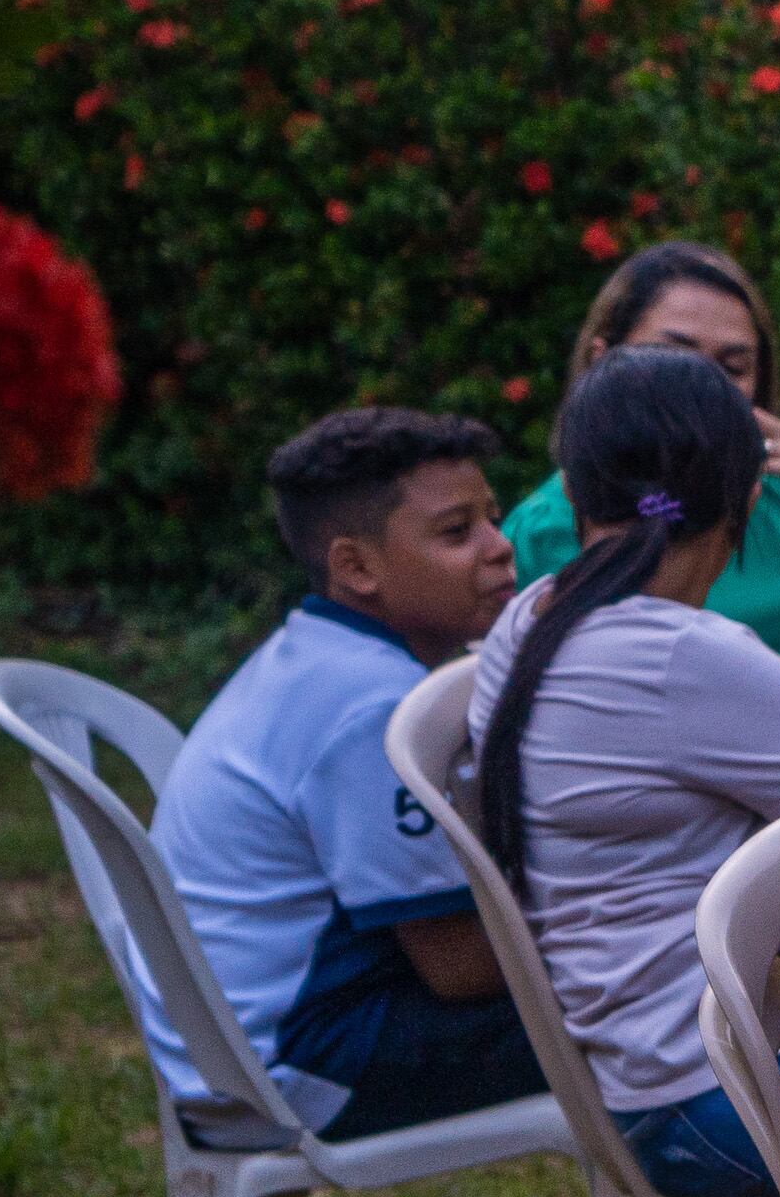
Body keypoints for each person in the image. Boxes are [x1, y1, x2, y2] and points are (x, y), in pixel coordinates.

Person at [467, 347, 780, 1197]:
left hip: (645, 1094)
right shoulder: (684, 655)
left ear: (574, 496)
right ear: (750, 498)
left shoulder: (528, 623)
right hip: (726, 1108)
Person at [139, 409, 537, 1137]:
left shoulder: (323, 657)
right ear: (356, 567)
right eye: (457, 532)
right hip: (296, 1063)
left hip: (244, 1045)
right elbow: (462, 967)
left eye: (492, 519)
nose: (500, 548)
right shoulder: (369, 706)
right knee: (653, 1011)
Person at [504, 242, 780, 719]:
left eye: (732, 368)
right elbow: (609, 724)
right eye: (673, 356)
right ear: (603, 362)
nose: (704, 386)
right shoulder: (547, 528)